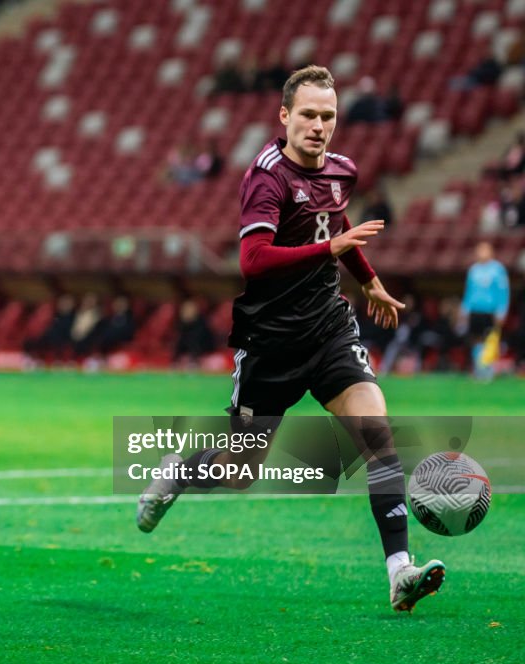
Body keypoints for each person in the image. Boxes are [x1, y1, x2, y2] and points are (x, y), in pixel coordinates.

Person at [136, 66, 445, 613]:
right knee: (238, 472)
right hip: (271, 343)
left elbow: (335, 224)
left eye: (328, 116)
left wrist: (369, 280)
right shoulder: (266, 176)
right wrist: (331, 251)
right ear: (285, 117)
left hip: (328, 328)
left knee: (378, 436)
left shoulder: (341, 171)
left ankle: (400, 571)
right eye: (308, 114)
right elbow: (253, 260)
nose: (319, 125)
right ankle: (179, 471)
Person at [459, 241, 510, 380]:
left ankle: (488, 368)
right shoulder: (473, 270)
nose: (481, 253)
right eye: (479, 250)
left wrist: (502, 311)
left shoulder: (497, 270)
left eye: (484, 250)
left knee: (490, 339)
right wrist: (464, 309)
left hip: (490, 311)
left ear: (491, 252)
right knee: (476, 339)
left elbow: (503, 292)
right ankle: (478, 366)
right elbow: (468, 292)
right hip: (475, 310)